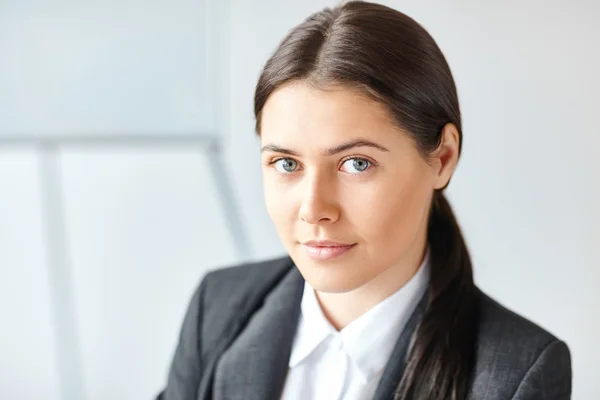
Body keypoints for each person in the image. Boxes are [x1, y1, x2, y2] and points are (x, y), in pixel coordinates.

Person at [157, 1, 571, 399]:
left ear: (442, 158)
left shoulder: (518, 373)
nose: (314, 209)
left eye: (356, 164)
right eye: (286, 164)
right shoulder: (216, 309)